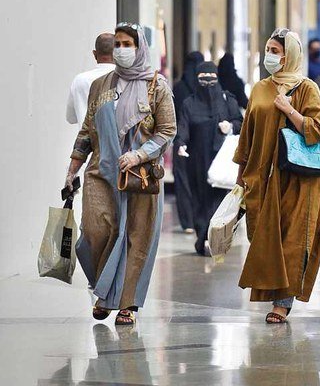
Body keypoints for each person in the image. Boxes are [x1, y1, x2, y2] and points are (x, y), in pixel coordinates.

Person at [65, 23, 176, 326]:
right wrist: (72, 169)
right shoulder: (101, 86)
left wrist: (140, 153)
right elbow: (87, 130)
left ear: (140, 47)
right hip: (101, 171)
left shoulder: (157, 86)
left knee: (137, 237)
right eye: (117, 44)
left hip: (140, 175)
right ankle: (105, 289)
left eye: (128, 43)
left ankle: (124, 303)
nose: (121, 49)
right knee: (94, 228)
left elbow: (168, 131)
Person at [233, 28, 320, 324]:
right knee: (265, 238)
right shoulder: (260, 88)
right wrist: (240, 178)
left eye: (276, 51)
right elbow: (247, 135)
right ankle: (274, 293)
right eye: (268, 50)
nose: (270, 56)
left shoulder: (306, 88)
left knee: (292, 239)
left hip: (299, 179)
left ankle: (282, 303)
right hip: (262, 176)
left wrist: (289, 110)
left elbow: (319, 130)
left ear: (290, 55)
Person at [175, 61, 243, 255]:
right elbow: (184, 127)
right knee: (199, 200)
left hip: (221, 161)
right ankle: (202, 238)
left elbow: (240, 121)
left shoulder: (226, 100)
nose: (208, 83)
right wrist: (181, 144)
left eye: (212, 79)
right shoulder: (190, 103)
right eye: (203, 79)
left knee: (218, 201)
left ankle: (213, 239)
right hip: (197, 161)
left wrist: (230, 126)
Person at [172, 51, 204, 235]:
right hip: (199, 140)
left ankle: (188, 221)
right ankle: (199, 217)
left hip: (180, 139)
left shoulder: (178, 87)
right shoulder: (204, 86)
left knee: (183, 181)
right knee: (197, 180)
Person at [66, 33, 116, 127]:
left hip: (86, 140)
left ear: (94, 54)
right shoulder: (124, 79)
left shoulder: (80, 80)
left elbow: (71, 118)